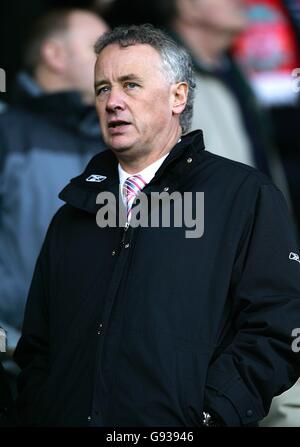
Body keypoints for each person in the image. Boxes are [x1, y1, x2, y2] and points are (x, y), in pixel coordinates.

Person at [13, 24, 300, 427]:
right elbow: (37, 349)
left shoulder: (243, 196)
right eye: (102, 89)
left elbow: (278, 330)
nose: (112, 101)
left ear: (178, 96)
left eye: (130, 85)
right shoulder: (74, 211)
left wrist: (208, 416)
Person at [0, 8, 108, 369]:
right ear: (54, 55)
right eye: (99, 47)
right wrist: (9, 343)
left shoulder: (116, 138)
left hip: (99, 368)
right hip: (15, 365)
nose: (111, 58)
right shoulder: (7, 134)